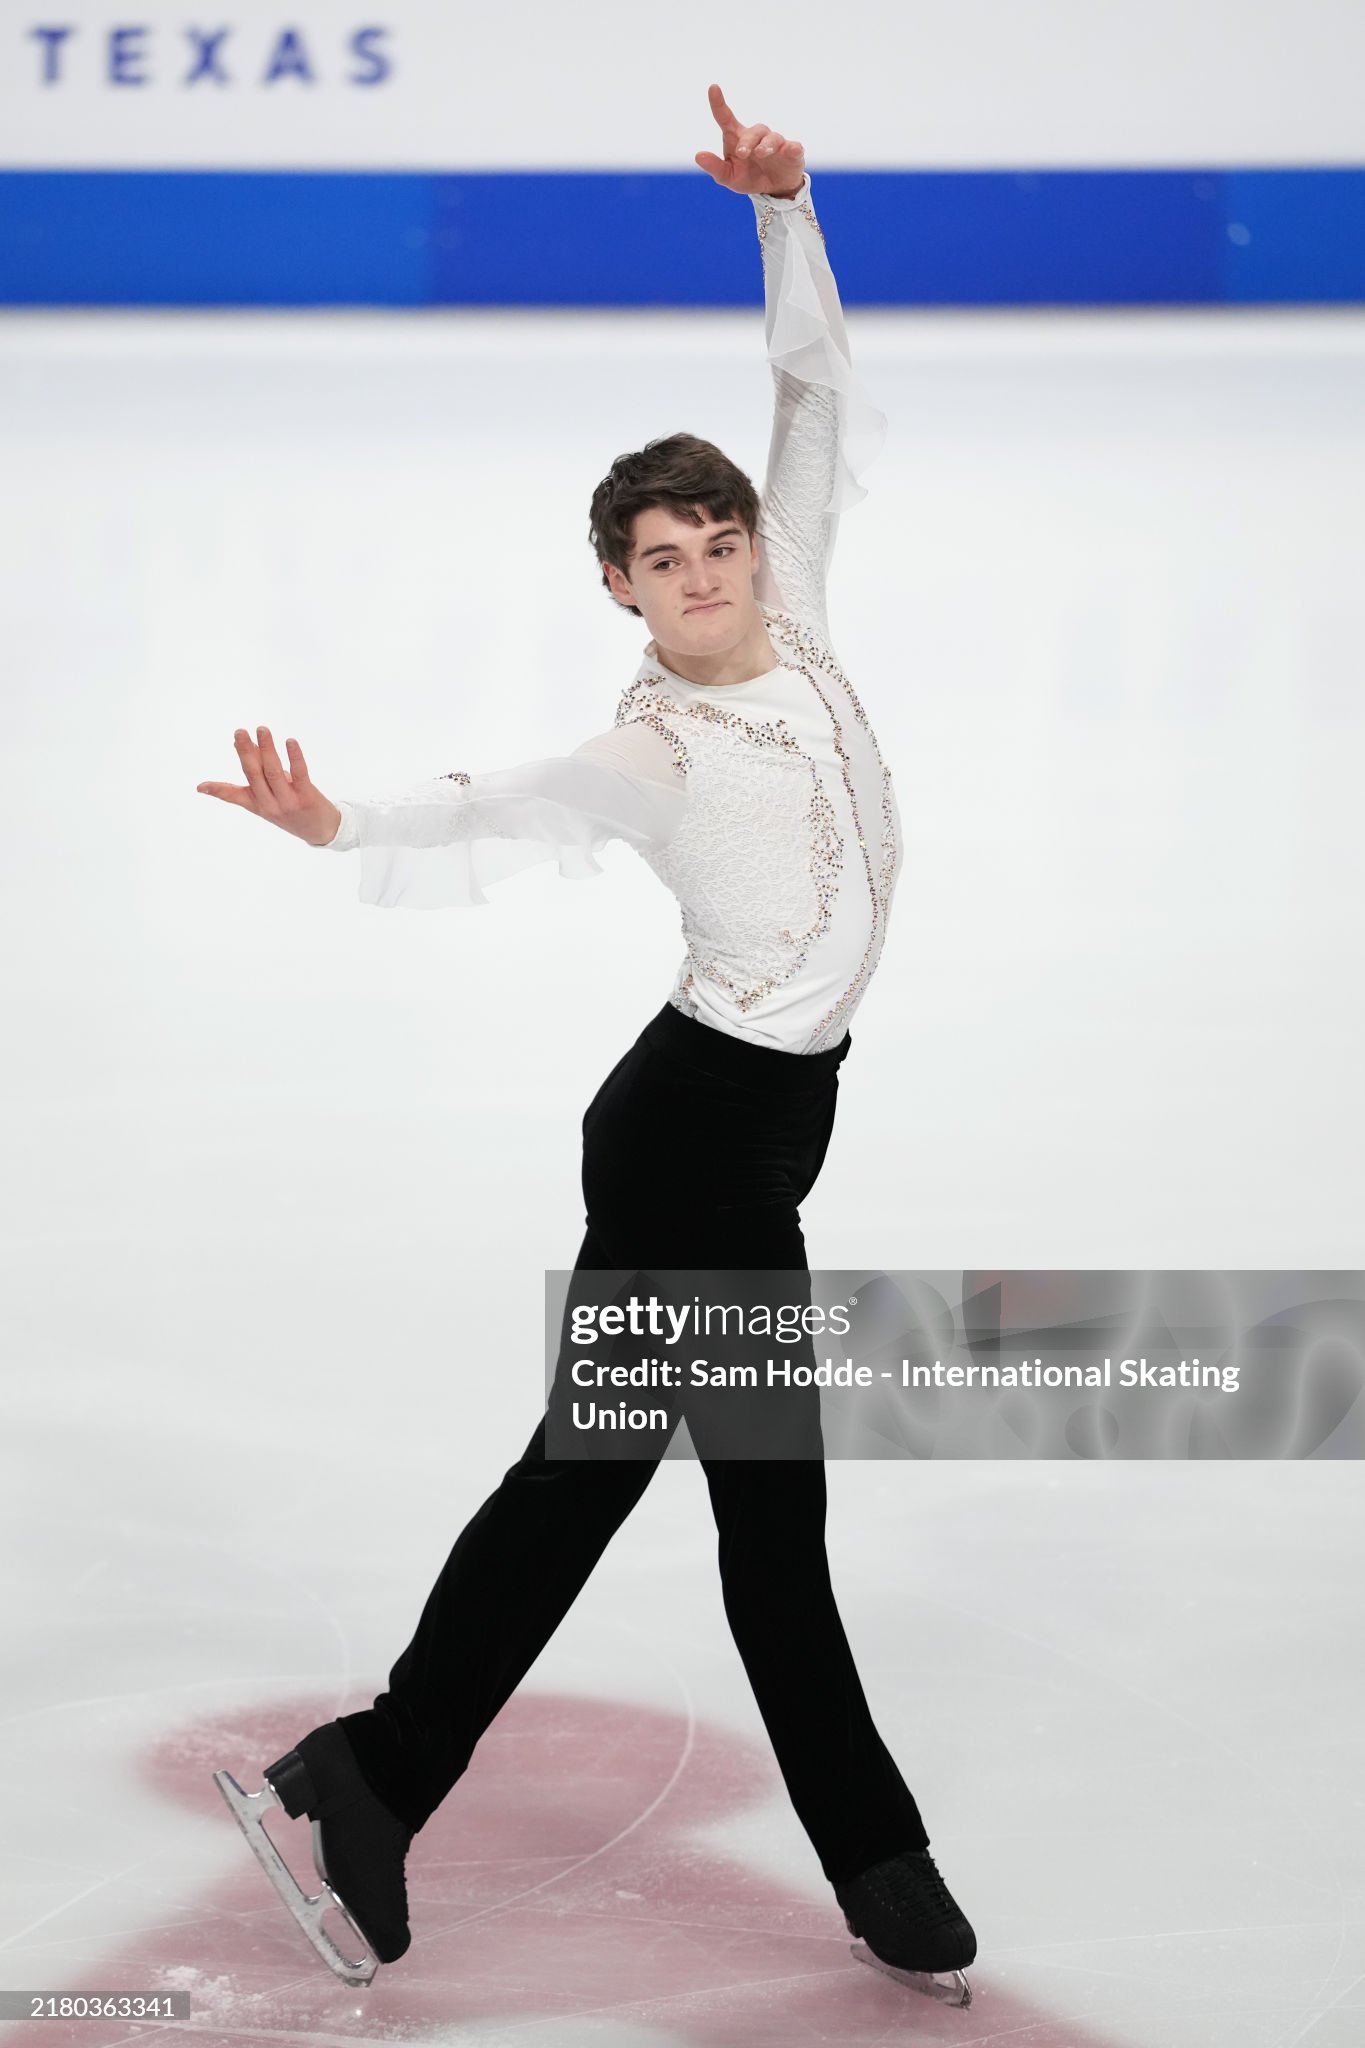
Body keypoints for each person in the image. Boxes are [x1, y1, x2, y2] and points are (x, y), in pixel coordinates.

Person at [202, 83, 977, 2011]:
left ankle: (375, 1771)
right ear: (618, 587)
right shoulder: (648, 744)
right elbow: (498, 795)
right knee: (770, 1522)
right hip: (696, 1139)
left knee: (583, 1472)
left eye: (718, 540)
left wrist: (784, 213)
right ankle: (878, 1866)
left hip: (758, 1121)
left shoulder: (798, 607)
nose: (704, 571)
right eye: (663, 556)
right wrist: (341, 822)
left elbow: (811, 388)